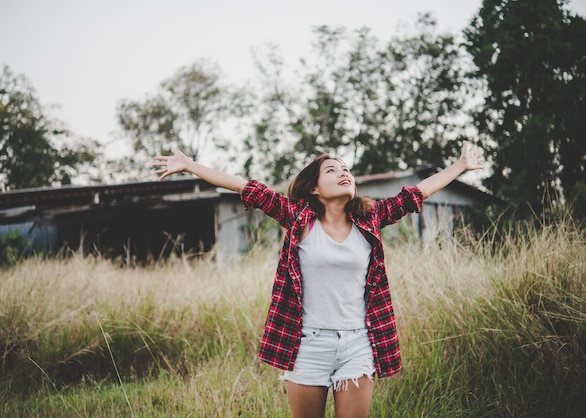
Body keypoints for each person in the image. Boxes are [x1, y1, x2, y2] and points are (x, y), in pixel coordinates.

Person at [153, 142, 484, 418]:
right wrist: (189, 165)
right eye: (332, 170)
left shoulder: (371, 218)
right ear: (314, 187)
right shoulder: (298, 219)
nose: (344, 173)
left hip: (358, 345)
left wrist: (460, 165)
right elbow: (245, 187)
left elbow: (416, 192)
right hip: (308, 345)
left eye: (346, 169)